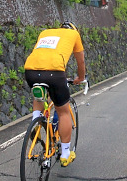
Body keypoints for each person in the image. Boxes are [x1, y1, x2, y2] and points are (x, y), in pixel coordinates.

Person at [24, 21, 86, 166]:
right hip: (54, 73)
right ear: (74, 29)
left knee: (40, 93)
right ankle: (65, 153)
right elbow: (80, 61)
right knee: (63, 111)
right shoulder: (74, 34)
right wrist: (81, 78)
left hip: (31, 71)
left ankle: (36, 122)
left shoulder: (45, 33)